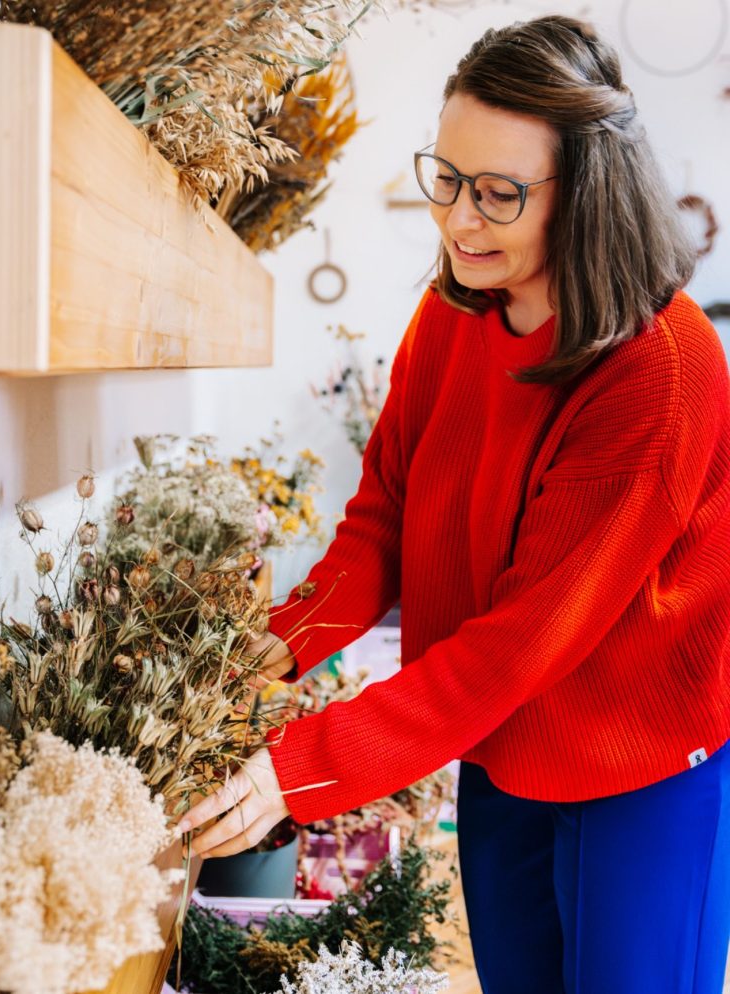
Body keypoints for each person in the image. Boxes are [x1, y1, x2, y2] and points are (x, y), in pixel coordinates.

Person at [177, 15, 730, 994]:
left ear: (589, 194)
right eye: (448, 177)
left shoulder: (665, 370)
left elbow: (518, 642)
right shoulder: (457, 306)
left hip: (641, 765)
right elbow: (384, 512)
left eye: (499, 194)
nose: (458, 221)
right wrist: (273, 647)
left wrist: (293, 768)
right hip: (498, 746)